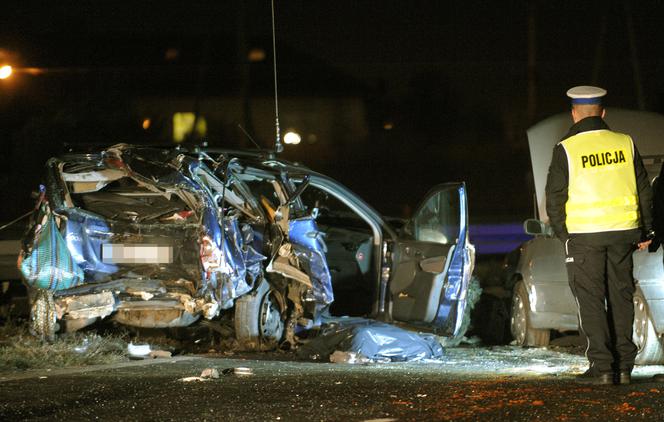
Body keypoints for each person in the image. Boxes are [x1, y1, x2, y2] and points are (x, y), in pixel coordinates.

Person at [545, 86, 654, 385]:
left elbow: (554, 198)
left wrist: (563, 235)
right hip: (623, 234)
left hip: (584, 237)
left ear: (574, 113)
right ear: (603, 113)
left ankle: (603, 368)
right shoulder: (625, 143)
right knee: (621, 298)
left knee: (591, 300)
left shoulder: (566, 148)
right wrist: (648, 230)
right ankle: (623, 368)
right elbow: (643, 189)